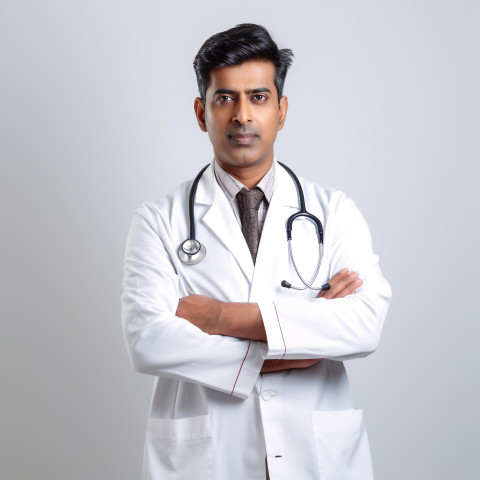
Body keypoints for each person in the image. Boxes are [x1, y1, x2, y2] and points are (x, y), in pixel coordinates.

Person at [121, 23, 391, 480]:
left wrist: (217, 318)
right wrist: (299, 346)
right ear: (201, 112)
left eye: (259, 97)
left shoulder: (334, 211)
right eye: (225, 98)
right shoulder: (158, 222)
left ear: (281, 111)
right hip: (207, 460)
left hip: (317, 457)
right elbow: (148, 340)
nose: (242, 115)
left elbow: (365, 324)